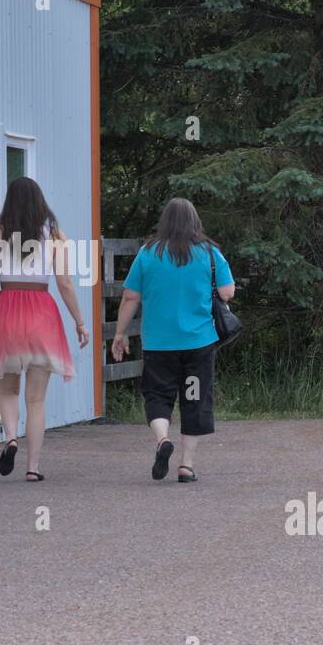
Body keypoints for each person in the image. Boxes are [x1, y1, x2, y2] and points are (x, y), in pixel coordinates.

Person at [111, 198, 235, 482]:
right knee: (195, 399)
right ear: (195, 221)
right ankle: (186, 466)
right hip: (198, 343)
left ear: (164, 221)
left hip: (158, 343)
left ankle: (163, 439)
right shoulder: (210, 253)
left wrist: (120, 333)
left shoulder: (147, 253)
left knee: (158, 394)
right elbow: (228, 292)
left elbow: (130, 296)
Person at [0, 177, 89, 481]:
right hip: (41, 311)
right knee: (36, 399)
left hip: (6, 309)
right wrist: (79, 321)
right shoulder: (54, 236)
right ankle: (33, 468)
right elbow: (64, 283)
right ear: (40, 202)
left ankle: (10, 438)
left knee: (8, 388)